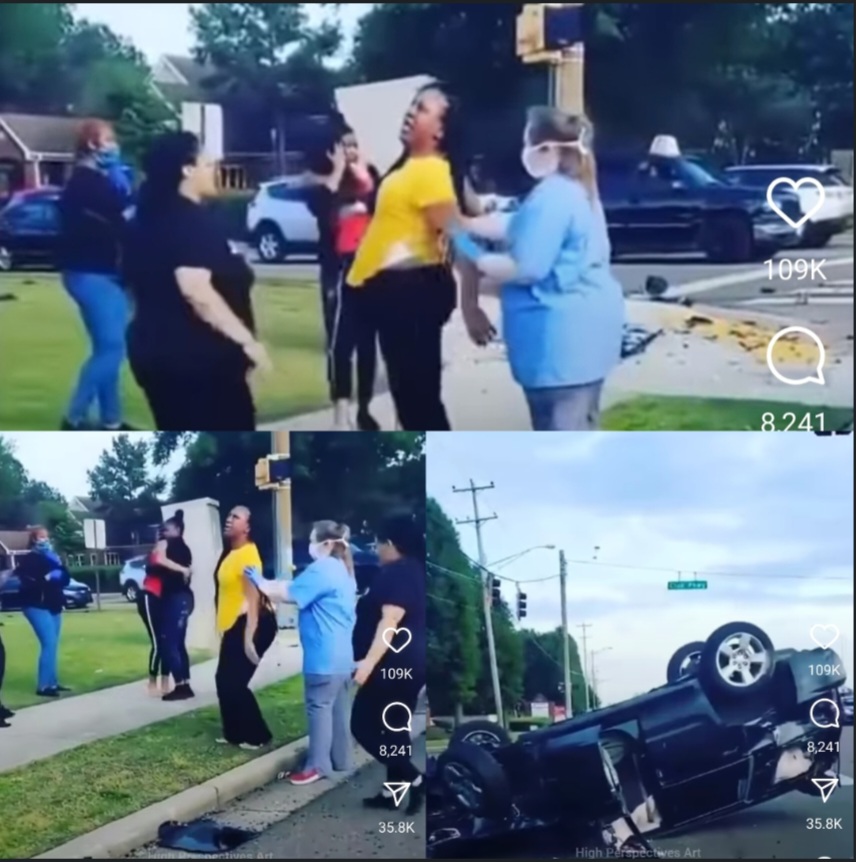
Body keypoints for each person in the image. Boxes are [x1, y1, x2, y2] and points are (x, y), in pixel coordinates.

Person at [450, 107, 625, 431]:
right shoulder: (575, 190)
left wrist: (467, 246)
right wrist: (466, 223)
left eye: (527, 143)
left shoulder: (553, 197)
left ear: (547, 149)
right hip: (584, 343)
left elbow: (525, 267)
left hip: (561, 347)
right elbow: (516, 224)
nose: (524, 153)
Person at [123, 131, 272, 430]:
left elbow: (135, 285)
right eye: (206, 163)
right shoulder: (188, 222)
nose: (213, 168)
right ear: (186, 169)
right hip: (199, 363)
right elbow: (197, 291)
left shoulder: (145, 220)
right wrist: (247, 342)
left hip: (155, 354)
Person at [345, 82, 471, 431]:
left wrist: (472, 302)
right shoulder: (409, 167)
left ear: (441, 130)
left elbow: (457, 234)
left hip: (411, 296)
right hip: (394, 299)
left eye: (422, 109)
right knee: (412, 401)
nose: (410, 113)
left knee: (419, 404)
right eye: (413, 105)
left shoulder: (430, 170)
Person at [244, 520, 357, 786]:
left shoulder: (323, 569)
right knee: (339, 711)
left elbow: (287, 593)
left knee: (319, 708)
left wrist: (260, 581)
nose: (310, 545)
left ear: (327, 544)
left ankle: (317, 765)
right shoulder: (344, 572)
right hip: (343, 659)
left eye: (313, 539)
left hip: (322, 658)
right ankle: (342, 760)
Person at [57, 119, 134, 431]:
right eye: (108, 139)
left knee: (106, 349)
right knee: (114, 347)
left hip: (95, 272)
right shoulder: (87, 182)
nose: (114, 145)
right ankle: (73, 417)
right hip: (93, 274)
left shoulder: (87, 181)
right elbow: (125, 212)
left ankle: (111, 419)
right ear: (92, 144)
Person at [306, 125, 382, 431]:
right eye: (343, 146)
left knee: (368, 344)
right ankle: (340, 411)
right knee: (340, 343)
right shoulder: (324, 182)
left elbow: (384, 207)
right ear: (331, 150)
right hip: (340, 269)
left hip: (372, 268)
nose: (350, 151)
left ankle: (364, 408)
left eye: (354, 145)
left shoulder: (373, 175)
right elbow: (325, 212)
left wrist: (365, 189)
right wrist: (338, 170)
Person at [351, 513, 426, 815]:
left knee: (363, 726)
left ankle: (415, 779)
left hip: (390, 665)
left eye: (378, 543)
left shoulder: (397, 573)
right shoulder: (414, 571)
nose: (376, 548)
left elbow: (389, 621)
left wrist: (367, 664)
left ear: (391, 544)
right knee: (393, 728)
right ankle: (392, 794)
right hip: (410, 665)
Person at [214, 506, 278, 749]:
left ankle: (258, 736)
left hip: (254, 622)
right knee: (223, 679)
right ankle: (234, 733)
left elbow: (252, 601)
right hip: (235, 625)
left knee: (234, 682)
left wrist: (249, 639)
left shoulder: (250, 555)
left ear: (247, 527)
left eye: (235, 517)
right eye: (229, 516)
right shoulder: (231, 553)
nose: (228, 520)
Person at [14, 527, 71, 697]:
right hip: (36, 605)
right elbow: (29, 583)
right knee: (49, 643)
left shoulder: (53, 557)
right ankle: (44, 686)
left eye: (47, 537)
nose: (44, 540)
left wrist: (59, 571)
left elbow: (65, 579)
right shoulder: (29, 560)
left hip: (54, 604)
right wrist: (48, 578)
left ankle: (52, 682)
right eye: (41, 537)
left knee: (53, 645)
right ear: (34, 539)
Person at [148, 511, 195, 702]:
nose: (163, 532)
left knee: (168, 642)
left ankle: (181, 685)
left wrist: (182, 569)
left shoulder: (166, 543)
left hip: (175, 599)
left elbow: (158, 559)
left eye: (166, 529)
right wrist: (184, 569)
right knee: (179, 643)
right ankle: (186, 684)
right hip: (186, 598)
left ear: (177, 529)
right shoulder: (185, 548)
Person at [138, 542, 169, 697]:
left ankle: (165, 681)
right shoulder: (155, 559)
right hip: (149, 598)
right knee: (157, 643)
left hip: (162, 601)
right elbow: (155, 567)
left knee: (167, 642)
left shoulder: (171, 559)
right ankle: (151, 682)